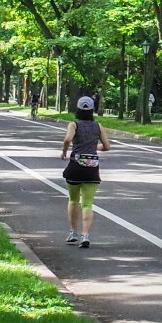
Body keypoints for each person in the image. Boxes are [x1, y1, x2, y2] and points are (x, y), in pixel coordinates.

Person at [60, 96, 110, 246]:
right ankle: (85, 235)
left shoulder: (73, 125)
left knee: (73, 200)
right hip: (92, 169)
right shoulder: (98, 126)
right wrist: (94, 147)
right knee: (87, 203)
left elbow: (67, 140)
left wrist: (64, 151)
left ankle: (72, 232)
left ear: (78, 109)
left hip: (76, 167)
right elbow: (107, 146)